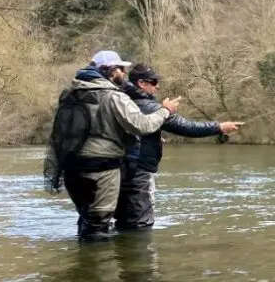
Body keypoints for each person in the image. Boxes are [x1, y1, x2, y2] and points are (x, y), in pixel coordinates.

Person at [44, 50, 181, 241]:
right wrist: (166, 111)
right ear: (110, 71)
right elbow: (142, 125)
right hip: (102, 170)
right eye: (121, 69)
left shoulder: (70, 94)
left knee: (87, 219)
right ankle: (99, 266)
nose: (124, 74)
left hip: (71, 168)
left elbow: (94, 127)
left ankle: (82, 265)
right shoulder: (114, 96)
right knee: (99, 224)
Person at [115, 62, 241, 231]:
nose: (157, 86)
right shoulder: (151, 108)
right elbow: (187, 127)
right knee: (140, 224)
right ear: (141, 83)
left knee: (123, 221)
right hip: (140, 172)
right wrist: (219, 127)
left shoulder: (121, 102)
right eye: (153, 82)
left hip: (118, 170)